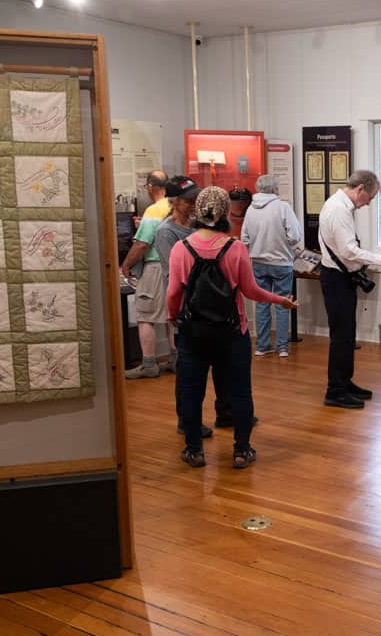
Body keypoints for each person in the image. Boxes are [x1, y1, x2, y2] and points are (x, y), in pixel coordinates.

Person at [167, 187, 298, 469]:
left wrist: (172, 317)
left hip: (194, 333)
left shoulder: (181, 248)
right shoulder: (235, 248)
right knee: (239, 392)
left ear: (196, 212)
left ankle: (194, 450)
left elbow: (173, 293)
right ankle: (241, 450)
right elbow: (251, 291)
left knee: (191, 392)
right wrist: (281, 300)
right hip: (231, 332)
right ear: (227, 212)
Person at [317, 170, 381, 409]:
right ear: (360, 189)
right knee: (341, 336)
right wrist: (379, 258)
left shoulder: (338, 206)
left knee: (347, 334)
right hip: (336, 278)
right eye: (370, 197)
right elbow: (348, 251)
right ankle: (335, 390)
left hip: (339, 276)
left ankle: (344, 382)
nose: (369, 203)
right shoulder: (339, 210)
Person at [155, 176, 228, 437]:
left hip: (213, 305)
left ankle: (226, 411)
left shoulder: (198, 227)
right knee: (189, 370)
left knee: (222, 361)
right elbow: (176, 273)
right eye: (188, 201)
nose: (193, 205)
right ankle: (187, 421)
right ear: (175, 202)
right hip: (188, 307)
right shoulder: (166, 232)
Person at [241, 174, 303, 358]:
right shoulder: (283, 207)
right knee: (283, 303)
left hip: (258, 262)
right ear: (275, 189)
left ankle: (262, 345)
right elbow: (295, 236)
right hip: (281, 262)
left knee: (261, 304)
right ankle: (282, 347)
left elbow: (244, 238)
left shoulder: (251, 209)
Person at [120, 170, 172, 379]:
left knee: (144, 314)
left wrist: (125, 265)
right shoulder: (174, 206)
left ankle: (149, 363)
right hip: (173, 266)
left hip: (154, 266)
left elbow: (142, 244)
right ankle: (175, 358)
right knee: (172, 315)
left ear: (151, 187)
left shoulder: (153, 210)